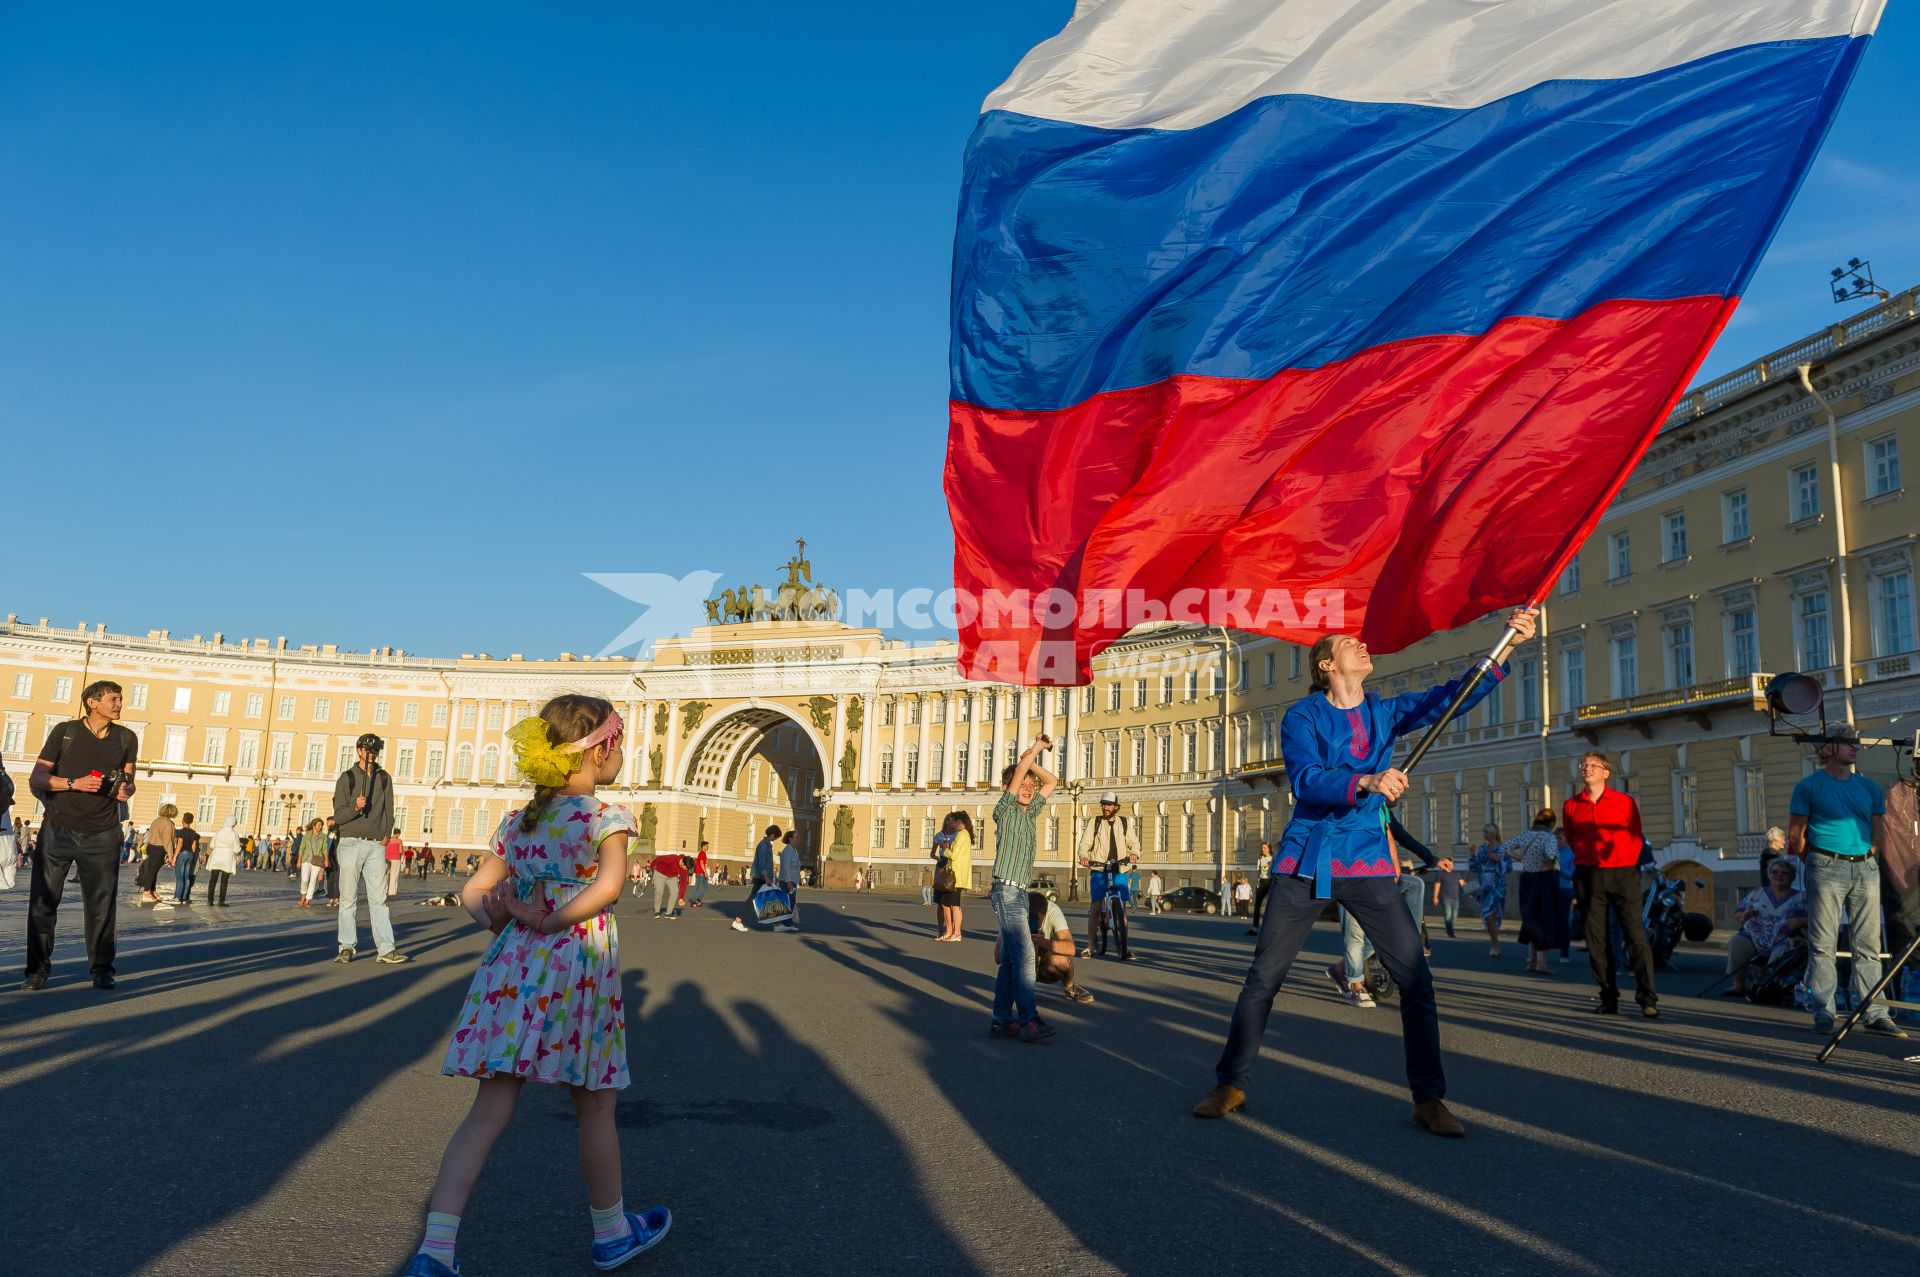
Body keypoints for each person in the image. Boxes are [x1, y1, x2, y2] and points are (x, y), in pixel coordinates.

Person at [1195, 608, 1535, 1136]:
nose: (1364, 647)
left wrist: (1507, 644)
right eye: (1351, 643)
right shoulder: (1302, 717)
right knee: (1263, 978)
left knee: (1415, 978)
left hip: (1370, 861)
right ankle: (1230, 1082)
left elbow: (1452, 696)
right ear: (1328, 664)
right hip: (1305, 861)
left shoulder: (1384, 710)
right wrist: (1368, 782)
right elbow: (1307, 779)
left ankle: (1429, 1098)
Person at [406, 695, 668, 1277]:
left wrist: (500, 916)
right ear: (599, 750)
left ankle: (436, 1251)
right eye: (618, 743)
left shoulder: (519, 821)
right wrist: (552, 920)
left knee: (488, 1110)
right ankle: (611, 1233)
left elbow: (475, 894)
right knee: (596, 1106)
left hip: (512, 973)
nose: (621, 754)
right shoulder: (606, 817)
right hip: (576, 972)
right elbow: (610, 886)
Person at [1789, 727, 1908, 1038]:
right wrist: (1816, 861)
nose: (1855, 748)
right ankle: (1824, 1012)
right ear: (1828, 748)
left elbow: (1878, 827)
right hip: (1826, 864)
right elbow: (1795, 835)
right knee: (1823, 944)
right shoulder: (1808, 786)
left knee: (1869, 945)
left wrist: (1871, 854)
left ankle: (1875, 1013)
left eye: (1855, 743)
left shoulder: (1868, 787)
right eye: (1847, 743)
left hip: (1865, 868)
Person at [20, 681, 139, 991]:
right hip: (58, 828)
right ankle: (37, 970)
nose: (119, 704)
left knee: (102, 904)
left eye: (120, 698)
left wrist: (126, 789)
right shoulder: (65, 732)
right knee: (44, 902)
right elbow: (39, 777)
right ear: (92, 702)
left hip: (103, 832)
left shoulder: (127, 738)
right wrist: (74, 783)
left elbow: (129, 779)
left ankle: (102, 969)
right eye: (113, 699)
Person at [1563, 751, 1658, 1019]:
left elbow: (1635, 834)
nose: (1587, 768)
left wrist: (1625, 859)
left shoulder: (1624, 802)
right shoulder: (1572, 806)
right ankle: (1608, 997)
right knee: (1596, 939)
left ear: (1606, 773)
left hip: (1623, 872)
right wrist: (1586, 857)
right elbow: (1571, 837)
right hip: (1588, 873)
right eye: (1584, 764)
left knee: (1635, 935)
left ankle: (1647, 998)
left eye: (1594, 765)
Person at [989, 736, 1059, 1043]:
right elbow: (1017, 778)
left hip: (1018, 892)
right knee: (1025, 955)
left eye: (1031, 784)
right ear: (1007, 790)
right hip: (1005, 890)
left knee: (1012, 959)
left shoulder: (1031, 813)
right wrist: (1031, 753)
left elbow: (1053, 780)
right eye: (1022, 784)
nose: (1028, 787)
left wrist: (1034, 762)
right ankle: (1029, 1019)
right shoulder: (1003, 810)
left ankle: (1002, 1020)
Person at [1328, 816, 1437, 1007]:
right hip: (1348, 873)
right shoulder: (1347, 804)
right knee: (1355, 936)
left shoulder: (1381, 808)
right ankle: (1355, 985)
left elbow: (1398, 836)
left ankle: (1411, 937)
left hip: (1378, 875)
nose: (1396, 790)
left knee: (1414, 885)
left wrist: (1432, 859)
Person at [331, 734, 408, 965]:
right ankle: (346, 946)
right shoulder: (347, 779)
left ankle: (386, 949)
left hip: (375, 844)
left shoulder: (385, 779)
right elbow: (339, 815)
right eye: (367, 750)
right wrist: (355, 807)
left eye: (375, 751)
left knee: (379, 899)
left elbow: (389, 810)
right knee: (347, 899)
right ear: (358, 751)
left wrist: (386, 834)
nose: (371, 754)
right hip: (350, 842)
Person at [1724, 860, 1807, 997]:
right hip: (1755, 938)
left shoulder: (1802, 897)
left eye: (1784, 873)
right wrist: (1746, 915)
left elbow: (1817, 918)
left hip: (1784, 940)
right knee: (1736, 942)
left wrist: (1800, 920)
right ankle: (1738, 984)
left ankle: (1771, 986)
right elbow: (1737, 913)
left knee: (1782, 950)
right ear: (1769, 875)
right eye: (1774, 872)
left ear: (1792, 877)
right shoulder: (1759, 892)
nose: (1778, 875)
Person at [997, 889, 1095, 1005]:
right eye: (1028, 917)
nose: (1031, 922)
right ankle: (1017, 988)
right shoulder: (1014, 913)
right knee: (1011, 956)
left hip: (1045, 963)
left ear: (1045, 912)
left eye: (1035, 919)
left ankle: (1069, 987)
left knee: (1062, 961)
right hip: (1019, 962)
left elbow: (1071, 949)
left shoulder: (1053, 910)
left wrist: (1043, 942)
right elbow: (997, 957)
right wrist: (1019, 940)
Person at [1076, 792, 1138, 960]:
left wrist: (1134, 854)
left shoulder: (1124, 823)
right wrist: (1083, 856)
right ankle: (1090, 946)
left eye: (1109, 804)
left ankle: (1123, 947)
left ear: (1116, 807)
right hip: (1098, 868)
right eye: (1103, 804)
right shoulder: (1094, 822)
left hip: (1120, 868)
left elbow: (1134, 843)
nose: (1105, 807)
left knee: (1122, 910)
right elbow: (1085, 843)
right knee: (1096, 907)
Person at [1504, 810, 1565, 974]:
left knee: (1530, 918)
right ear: (1551, 823)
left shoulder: (1525, 835)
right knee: (1544, 919)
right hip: (1545, 879)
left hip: (1527, 879)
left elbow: (1505, 847)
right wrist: (1550, 863)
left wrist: (1518, 857)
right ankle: (1541, 962)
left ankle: (1531, 961)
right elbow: (1551, 854)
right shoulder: (1549, 837)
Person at [1467, 824, 1509, 957]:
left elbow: (1508, 868)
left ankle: (1495, 944)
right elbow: (1475, 868)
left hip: (1498, 886)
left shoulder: (1502, 849)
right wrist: (1473, 855)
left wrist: (1498, 860)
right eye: (1484, 832)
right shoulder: (1483, 849)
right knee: (1488, 914)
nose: (1484, 835)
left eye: (1487, 832)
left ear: (1493, 834)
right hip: (1485, 885)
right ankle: (1494, 944)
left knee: (1490, 912)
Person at [932, 811, 974, 941]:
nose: (950, 823)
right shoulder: (964, 834)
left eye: (952, 821)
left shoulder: (961, 835)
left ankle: (955, 933)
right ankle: (950, 932)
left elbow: (953, 855)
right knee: (947, 904)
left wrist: (945, 847)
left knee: (953, 905)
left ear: (958, 822)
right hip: (954, 873)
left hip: (956, 874)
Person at [732, 825, 780, 933]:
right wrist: (767, 877)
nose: (775, 839)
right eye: (776, 837)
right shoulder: (764, 846)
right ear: (772, 835)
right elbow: (762, 863)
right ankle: (738, 921)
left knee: (767, 899)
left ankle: (777, 923)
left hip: (762, 877)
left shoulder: (766, 844)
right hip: (762, 877)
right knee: (759, 899)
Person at [138, 804, 177, 905]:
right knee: (152, 871)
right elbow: (167, 839)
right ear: (172, 812)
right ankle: (147, 892)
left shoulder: (156, 821)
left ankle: (152, 891)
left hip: (151, 846)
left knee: (153, 870)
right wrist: (170, 854)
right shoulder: (168, 823)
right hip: (160, 848)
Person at [205, 815, 241, 908]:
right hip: (227, 857)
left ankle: (210, 900)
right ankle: (221, 901)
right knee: (224, 880)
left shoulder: (218, 831)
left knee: (213, 879)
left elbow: (212, 845)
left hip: (216, 855)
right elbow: (236, 848)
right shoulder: (234, 833)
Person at [774, 831, 802, 933]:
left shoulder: (794, 850)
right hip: (787, 881)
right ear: (790, 839)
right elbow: (785, 868)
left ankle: (787, 923)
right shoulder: (787, 851)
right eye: (796, 837)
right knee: (787, 903)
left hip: (792, 880)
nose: (798, 838)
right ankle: (783, 924)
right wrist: (788, 882)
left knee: (790, 902)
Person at [171, 813, 202, 905]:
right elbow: (193, 846)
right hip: (190, 855)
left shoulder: (181, 832)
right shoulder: (194, 833)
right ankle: (185, 897)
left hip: (183, 854)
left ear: (183, 821)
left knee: (179, 876)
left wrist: (174, 858)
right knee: (187, 876)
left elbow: (179, 845)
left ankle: (178, 896)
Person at [650, 845, 688, 919]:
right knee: (659, 890)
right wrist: (651, 867)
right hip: (660, 872)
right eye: (685, 867)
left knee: (675, 891)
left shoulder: (685, 869)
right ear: (682, 863)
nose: (686, 869)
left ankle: (669, 913)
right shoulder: (672, 858)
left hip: (672, 876)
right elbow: (658, 859)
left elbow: (683, 883)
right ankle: (657, 911)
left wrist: (681, 898)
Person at [297, 818, 329, 907]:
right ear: (314, 826)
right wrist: (299, 860)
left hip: (317, 861)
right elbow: (301, 848)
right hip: (306, 860)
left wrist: (326, 860)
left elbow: (325, 849)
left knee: (313, 881)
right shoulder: (306, 835)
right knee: (304, 880)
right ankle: (303, 895)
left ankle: (308, 900)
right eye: (319, 825)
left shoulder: (323, 836)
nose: (320, 827)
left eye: (321, 825)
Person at [1245, 843, 1272, 935]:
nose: (1263, 849)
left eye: (1265, 848)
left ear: (1269, 849)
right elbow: (1258, 872)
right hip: (1261, 882)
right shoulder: (1260, 859)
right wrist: (1257, 884)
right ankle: (1254, 929)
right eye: (1262, 848)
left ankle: (1269, 929)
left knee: (1271, 906)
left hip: (1270, 882)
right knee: (1257, 906)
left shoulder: (1274, 858)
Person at [688, 841, 710, 907]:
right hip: (700, 873)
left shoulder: (704, 854)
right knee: (697, 887)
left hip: (702, 872)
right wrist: (705, 872)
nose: (708, 847)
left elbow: (703, 863)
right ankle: (693, 901)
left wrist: (706, 867)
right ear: (703, 846)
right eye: (707, 846)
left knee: (706, 886)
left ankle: (698, 899)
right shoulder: (701, 853)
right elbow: (701, 863)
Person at [386, 829, 405, 897]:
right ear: (398, 834)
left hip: (387, 858)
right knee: (394, 875)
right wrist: (403, 852)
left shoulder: (388, 840)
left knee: (386, 875)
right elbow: (400, 851)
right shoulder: (399, 841)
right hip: (396, 858)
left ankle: (385, 890)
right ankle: (392, 891)